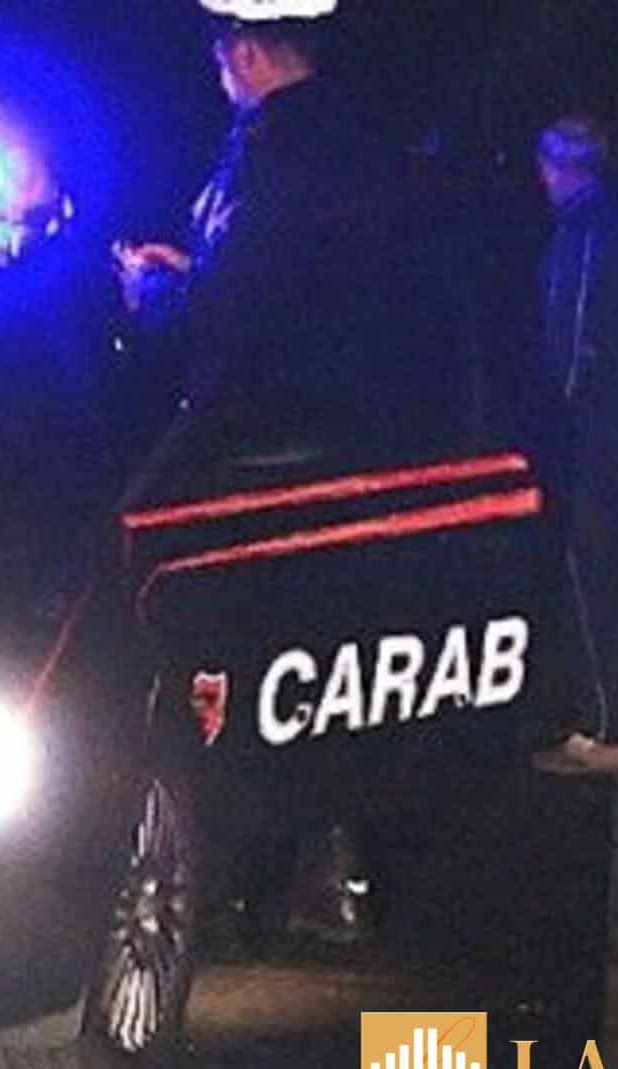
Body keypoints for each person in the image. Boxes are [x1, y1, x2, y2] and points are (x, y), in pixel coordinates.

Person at [117, 7, 397, 945]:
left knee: (194, 632)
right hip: (344, 437)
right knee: (320, 660)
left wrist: (156, 292)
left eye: (220, 57)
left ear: (244, 51)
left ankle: (249, 870)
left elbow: (236, 319)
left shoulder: (273, 153)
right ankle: (328, 873)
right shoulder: (359, 143)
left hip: (258, 445)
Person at [527, 116, 618, 777]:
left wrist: (551, 422)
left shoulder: (585, 233)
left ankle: (612, 729)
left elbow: (573, 339)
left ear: (557, 168)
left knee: (590, 570)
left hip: (599, 434)